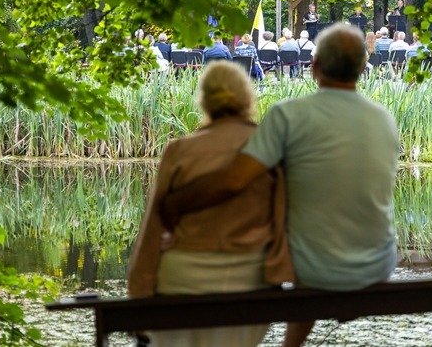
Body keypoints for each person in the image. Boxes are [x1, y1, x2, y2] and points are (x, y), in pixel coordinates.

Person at [160, 24, 399, 347]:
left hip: (313, 269)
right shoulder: (384, 118)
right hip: (378, 264)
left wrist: (175, 202)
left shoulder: (290, 115)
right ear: (362, 67)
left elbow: (234, 181)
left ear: (313, 67)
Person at [128, 61, 293, 347]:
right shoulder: (269, 147)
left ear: (203, 100)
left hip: (182, 281)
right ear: (247, 97)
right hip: (249, 282)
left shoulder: (179, 151)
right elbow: (283, 222)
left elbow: (152, 231)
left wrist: (139, 293)